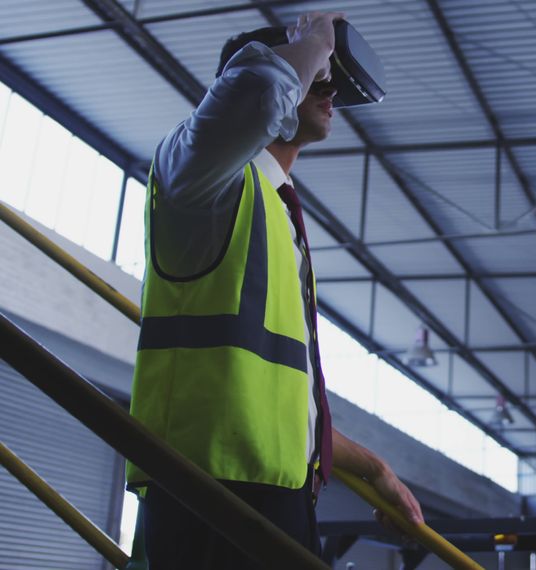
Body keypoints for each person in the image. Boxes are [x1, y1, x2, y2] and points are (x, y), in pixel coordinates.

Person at [125, 11, 423, 567]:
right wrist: (313, 40)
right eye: (318, 75)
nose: (329, 86)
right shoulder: (198, 179)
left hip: (281, 496)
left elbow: (281, 409)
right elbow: (260, 93)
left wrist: (373, 467)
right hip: (204, 492)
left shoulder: (277, 210)